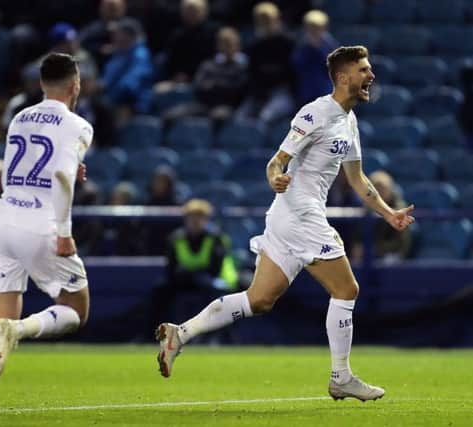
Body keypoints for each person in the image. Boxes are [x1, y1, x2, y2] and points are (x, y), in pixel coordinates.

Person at [156, 46, 416, 402]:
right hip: (300, 212)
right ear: (343, 77)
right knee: (346, 290)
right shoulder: (316, 112)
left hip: (289, 216)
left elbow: (357, 179)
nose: (371, 75)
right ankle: (341, 376)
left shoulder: (349, 121)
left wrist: (389, 213)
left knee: (259, 300)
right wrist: (275, 177)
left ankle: (180, 334)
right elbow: (276, 161)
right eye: (364, 70)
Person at [0, 53, 93, 425]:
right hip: (42, 223)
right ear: (75, 85)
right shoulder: (78, 124)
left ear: (41, 84)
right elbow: (62, 177)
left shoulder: (19, 117)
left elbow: (28, 165)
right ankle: (18, 329)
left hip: (5, 219)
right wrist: (64, 234)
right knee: (76, 309)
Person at [148, 198, 237, 338]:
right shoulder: (175, 239)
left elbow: (216, 269)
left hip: (207, 281)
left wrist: (197, 274)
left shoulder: (215, 239)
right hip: (183, 280)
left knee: (220, 297)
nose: (195, 221)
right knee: (159, 291)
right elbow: (170, 269)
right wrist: (185, 275)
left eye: (200, 217)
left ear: (206, 219)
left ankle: (218, 337)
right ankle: (156, 335)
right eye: (192, 217)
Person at [236, 2, 295, 124]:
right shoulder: (253, 46)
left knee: (265, 117)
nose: (265, 24)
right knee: (239, 119)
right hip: (259, 94)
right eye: (260, 21)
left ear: (277, 20)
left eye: (268, 20)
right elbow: (252, 75)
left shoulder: (288, 43)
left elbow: (292, 75)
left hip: (282, 92)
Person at [351, 170, 412, 262]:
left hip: (392, 252)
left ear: (390, 189)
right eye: (376, 188)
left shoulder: (399, 210)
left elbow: (401, 243)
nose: (380, 192)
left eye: (383, 189)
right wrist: (359, 247)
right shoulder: (367, 208)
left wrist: (377, 249)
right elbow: (359, 235)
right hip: (371, 251)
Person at [193, 27, 248, 120]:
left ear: (237, 45)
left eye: (229, 43)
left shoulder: (244, 66)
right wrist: (223, 85)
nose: (226, 47)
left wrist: (213, 85)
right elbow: (198, 87)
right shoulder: (207, 65)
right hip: (205, 105)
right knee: (171, 116)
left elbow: (238, 91)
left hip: (230, 107)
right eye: (223, 43)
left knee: (216, 116)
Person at [292, 10, 339, 105]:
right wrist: (308, 48)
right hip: (306, 91)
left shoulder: (330, 44)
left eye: (317, 28)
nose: (314, 31)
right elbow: (296, 65)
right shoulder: (301, 44)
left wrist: (319, 49)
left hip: (326, 90)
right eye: (311, 28)